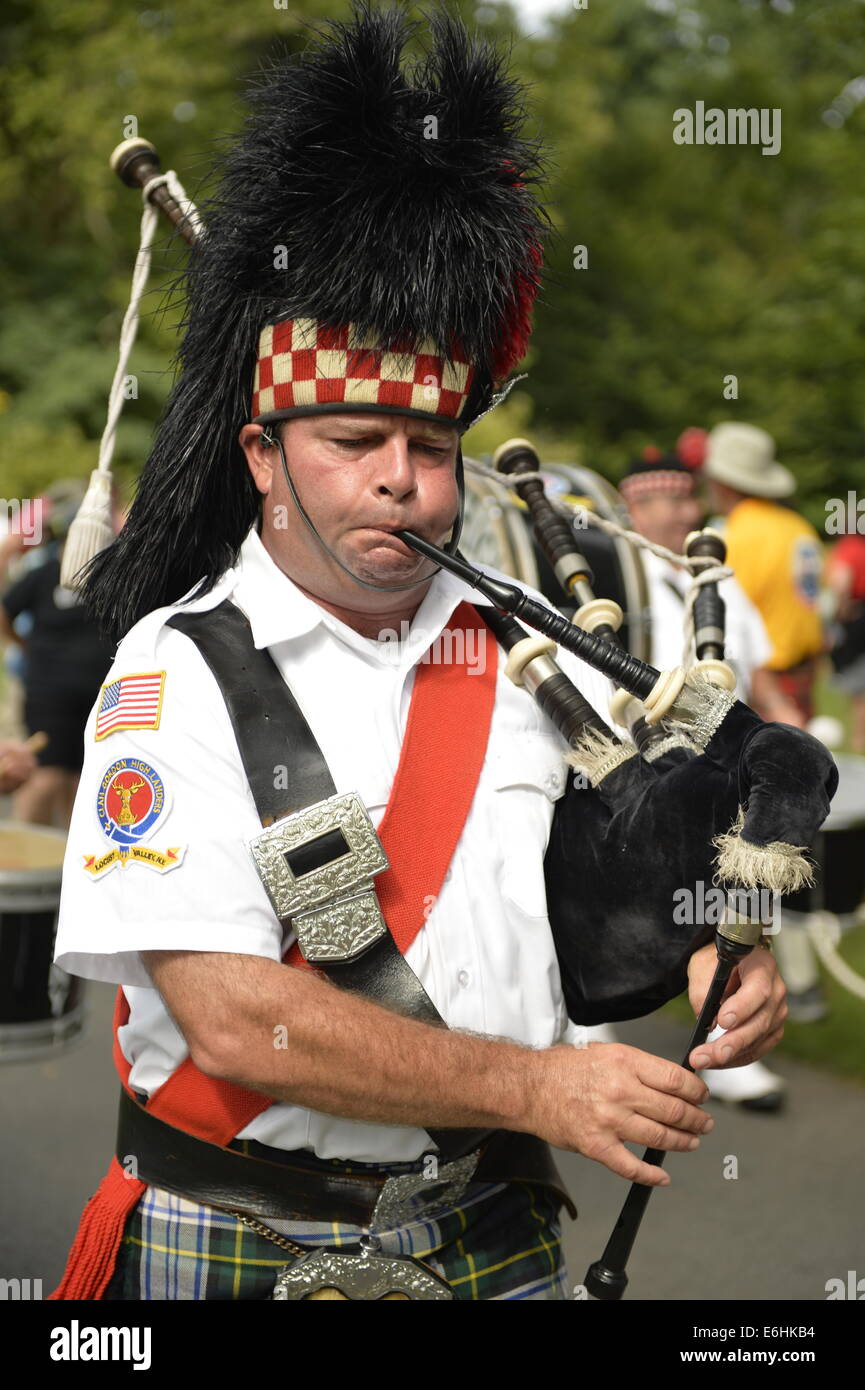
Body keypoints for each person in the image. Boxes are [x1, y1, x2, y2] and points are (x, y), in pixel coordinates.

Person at [50, 8, 788, 1302]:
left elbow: (560, 919)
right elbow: (230, 1011)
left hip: (496, 1230)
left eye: (430, 447)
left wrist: (712, 948)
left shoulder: (517, 660)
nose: (400, 482)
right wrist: (533, 1085)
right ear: (262, 458)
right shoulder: (173, 677)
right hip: (248, 1242)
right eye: (348, 442)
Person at [619, 450, 794, 1110]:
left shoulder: (718, 577)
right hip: (637, 772)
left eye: (687, 499)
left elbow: (761, 675)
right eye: (664, 501)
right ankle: (588, 1030)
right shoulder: (618, 576)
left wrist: (791, 734)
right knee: (617, 906)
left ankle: (726, 1046)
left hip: (730, 774)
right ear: (634, 509)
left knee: (736, 912)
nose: (682, 513)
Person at [0, 487, 116, 827]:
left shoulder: (112, 574)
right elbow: (5, 610)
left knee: (89, 780)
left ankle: (73, 865)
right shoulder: (46, 572)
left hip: (100, 693)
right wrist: (21, 643)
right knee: (44, 775)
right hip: (50, 693)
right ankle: (23, 865)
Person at [703, 423, 824, 725]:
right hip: (804, 672)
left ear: (723, 484)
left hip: (764, 682)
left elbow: (728, 616)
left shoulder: (736, 535)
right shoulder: (798, 526)